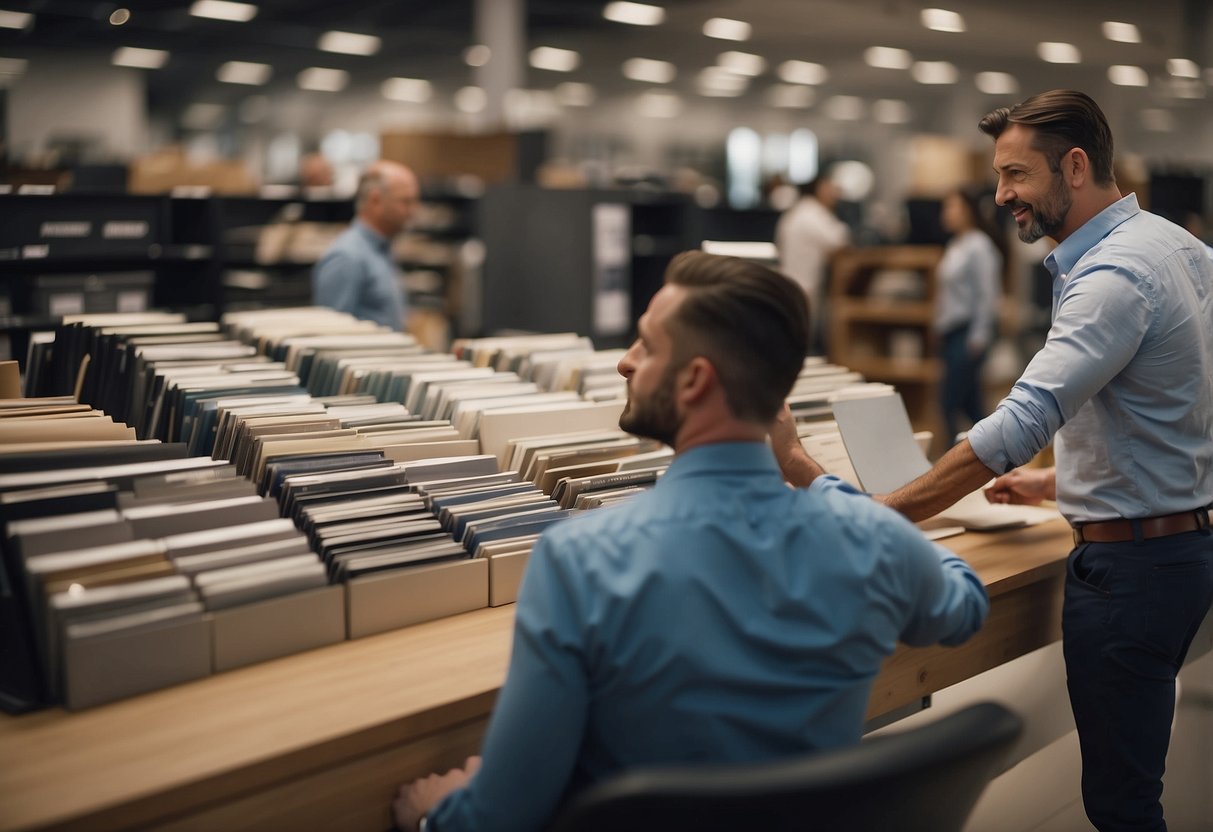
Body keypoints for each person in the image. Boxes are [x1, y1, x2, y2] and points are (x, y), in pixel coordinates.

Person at [393, 251, 989, 832]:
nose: (625, 362)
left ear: (695, 380)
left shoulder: (579, 560)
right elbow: (965, 605)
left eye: (647, 345)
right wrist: (821, 483)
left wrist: (432, 815)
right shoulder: (870, 542)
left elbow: (501, 817)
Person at [774, 89, 1213, 832]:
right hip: (1179, 551)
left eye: (1015, 174)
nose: (1001, 194)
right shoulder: (1180, 248)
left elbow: (1019, 421)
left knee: (1122, 804)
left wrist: (883, 513)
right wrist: (1058, 480)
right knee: (1131, 783)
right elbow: (1179, 409)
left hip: (1130, 574)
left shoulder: (1113, 275)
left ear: (1074, 168)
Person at [312, 160, 420, 331]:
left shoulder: (381, 248)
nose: (412, 211)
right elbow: (331, 335)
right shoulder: (346, 257)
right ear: (375, 200)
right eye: (405, 202)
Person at [934, 187, 1004, 445]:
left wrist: (979, 335)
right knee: (970, 404)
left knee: (949, 402)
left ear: (968, 211)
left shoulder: (979, 246)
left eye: (952, 207)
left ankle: (955, 457)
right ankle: (992, 452)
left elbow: (988, 293)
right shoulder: (956, 244)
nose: (947, 213)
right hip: (950, 331)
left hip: (967, 333)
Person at [775, 173, 850, 353]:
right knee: (800, 341)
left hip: (794, 282)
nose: (835, 194)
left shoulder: (799, 211)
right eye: (830, 188)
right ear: (819, 188)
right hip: (804, 285)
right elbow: (840, 241)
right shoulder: (812, 213)